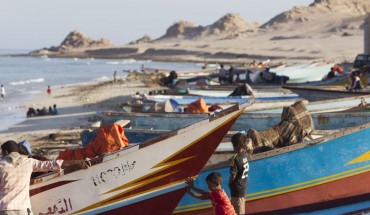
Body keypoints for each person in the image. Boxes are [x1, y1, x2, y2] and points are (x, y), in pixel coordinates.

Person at [0, 140, 90, 215]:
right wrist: (77, 162)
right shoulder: (29, 162)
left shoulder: (1, 165)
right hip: (23, 209)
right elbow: (52, 164)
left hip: (4, 209)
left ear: (5, 152)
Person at [228, 133, 252, 215]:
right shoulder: (246, 155)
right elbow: (250, 150)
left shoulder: (235, 159)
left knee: (237, 211)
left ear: (236, 145)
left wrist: (229, 183)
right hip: (243, 187)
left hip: (236, 189)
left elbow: (233, 175)